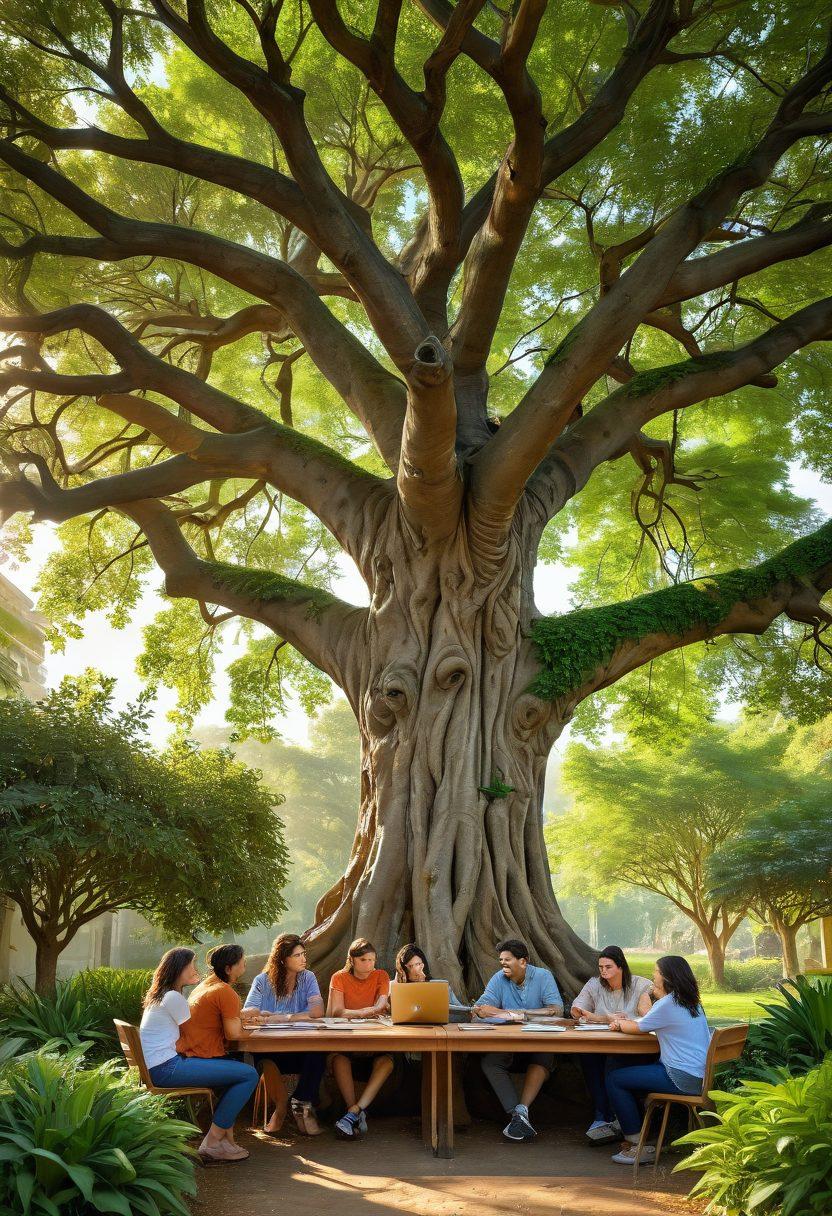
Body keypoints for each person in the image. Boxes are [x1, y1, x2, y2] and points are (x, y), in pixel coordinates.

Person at [139, 947, 259, 1164]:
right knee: (248, 1074)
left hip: (161, 1066)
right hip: (168, 1069)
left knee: (231, 1071)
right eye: (191, 965)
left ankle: (223, 1141)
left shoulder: (163, 995)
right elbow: (195, 1033)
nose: (197, 970)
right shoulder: (173, 997)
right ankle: (212, 1143)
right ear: (179, 969)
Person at [606, 955, 713, 1166]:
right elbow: (649, 1022)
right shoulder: (692, 1002)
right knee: (627, 1071)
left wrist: (618, 1023)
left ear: (666, 977)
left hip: (680, 1077)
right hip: (697, 1076)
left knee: (615, 1078)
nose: (653, 976)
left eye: (656, 972)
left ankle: (637, 1143)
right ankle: (643, 1131)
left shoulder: (668, 1004)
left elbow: (638, 1027)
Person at [472, 938, 563, 1141]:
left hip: (539, 1041)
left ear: (523, 961)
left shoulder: (543, 976)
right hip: (509, 1043)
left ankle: (521, 1110)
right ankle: (518, 1115)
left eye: (508, 960)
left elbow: (556, 1010)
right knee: (490, 1062)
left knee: (543, 1058)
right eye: (501, 960)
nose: (503, 964)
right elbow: (480, 1010)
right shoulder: (498, 979)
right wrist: (486, 1012)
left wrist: (516, 1014)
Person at [243, 933, 326, 1135]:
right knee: (266, 1058)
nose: (303, 959)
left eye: (303, 954)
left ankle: (301, 1101)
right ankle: (281, 1108)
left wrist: (285, 1017)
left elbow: (317, 1012)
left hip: (301, 1047)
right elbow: (250, 1012)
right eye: (297, 955)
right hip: (271, 1048)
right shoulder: (262, 981)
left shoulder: (308, 977)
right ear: (282, 959)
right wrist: (260, 1013)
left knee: (319, 1051)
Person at [569, 945, 653, 1144]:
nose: (603, 972)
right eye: (600, 967)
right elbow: (577, 1009)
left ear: (621, 966)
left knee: (613, 1061)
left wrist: (600, 1018)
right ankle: (603, 1116)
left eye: (608, 967)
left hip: (633, 1046)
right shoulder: (594, 984)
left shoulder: (641, 985)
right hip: (601, 1042)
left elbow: (648, 1017)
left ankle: (615, 1118)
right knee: (587, 1056)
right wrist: (581, 1013)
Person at [327, 937, 392, 1138]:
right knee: (339, 1059)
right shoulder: (339, 977)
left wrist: (358, 1011)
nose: (369, 964)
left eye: (372, 960)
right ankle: (352, 1111)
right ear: (352, 960)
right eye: (364, 960)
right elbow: (338, 1011)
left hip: (374, 1039)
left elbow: (381, 1006)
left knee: (387, 1061)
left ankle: (353, 1112)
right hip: (347, 1040)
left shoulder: (381, 976)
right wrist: (367, 1011)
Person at [392, 943, 463, 1007]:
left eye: (418, 965)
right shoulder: (396, 988)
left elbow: (461, 1011)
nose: (416, 971)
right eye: (411, 966)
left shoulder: (440, 987)